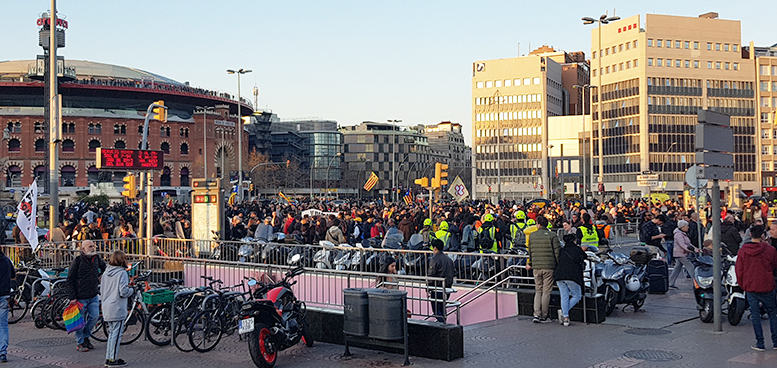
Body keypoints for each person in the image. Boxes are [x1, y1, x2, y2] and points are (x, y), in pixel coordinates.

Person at [735, 225, 777, 351]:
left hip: (750, 285)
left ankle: (760, 343)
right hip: (767, 284)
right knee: (772, 313)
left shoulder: (743, 250)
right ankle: (775, 341)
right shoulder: (770, 250)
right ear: (763, 235)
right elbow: (774, 266)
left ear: (751, 235)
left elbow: (739, 269)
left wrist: (743, 283)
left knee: (755, 315)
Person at [67, 240, 107, 352]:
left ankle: (86, 336)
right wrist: (72, 297)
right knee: (79, 322)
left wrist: (100, 276)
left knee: (94, 317)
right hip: (80, 297)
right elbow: (70, 279)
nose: (93, 248)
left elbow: (105, 268)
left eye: (93, 246)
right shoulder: (78, 261)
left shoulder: (96, 259)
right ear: (83, 249)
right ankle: (80, 342)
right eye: (90, 246)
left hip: (93, 294)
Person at [101, 250, 133, 367]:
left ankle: (109, 357)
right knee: (117, 334)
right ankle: (112, 359)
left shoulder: (106, 273)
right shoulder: (122, 273)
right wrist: (132, 290)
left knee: (111, 333)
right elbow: (123, 291)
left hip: (107, 306)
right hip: (117, 307)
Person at [526, 216, 561, 323]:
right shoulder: (553, 235)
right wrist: (558, 264)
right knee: (546, 292)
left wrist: (530, 263)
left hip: (536, 267)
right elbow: (557, 252)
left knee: (538, 291)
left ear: (538, 224)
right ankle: (544, 315)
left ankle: (536, 314)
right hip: (549, 267)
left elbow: (530, 252)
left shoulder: (532, 236)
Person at [554, 233, 586, 326]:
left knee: (564, 296)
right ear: (574, 240)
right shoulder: (577, 249)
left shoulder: (562, 250)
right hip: (572, 276)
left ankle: (566, 317)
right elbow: (584, 256)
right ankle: (564, 312)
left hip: (559, 275)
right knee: (577, 295)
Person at [428, 238, 454, 323]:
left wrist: (429, 287)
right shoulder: (449, 259)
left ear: (435, 248)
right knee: (442, 308)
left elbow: (431, 275)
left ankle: (442, 324)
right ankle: (443, 322)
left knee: (436, 310)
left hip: (437, 287)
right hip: (447, 287)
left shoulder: (435, 260)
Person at [668, 220, 696, 289]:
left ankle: (670, 283)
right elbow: (682, 245)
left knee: (677, 269)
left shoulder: (682, 233)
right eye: (687, 226)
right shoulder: (679, 235)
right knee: (691, 268)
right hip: (681, 254)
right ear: (683, 227)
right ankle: (696, 283)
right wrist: (692, 249)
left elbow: (689, 244)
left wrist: (695, 248)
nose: (688, 227)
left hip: (681, 253)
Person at [0, 248, 15, 363]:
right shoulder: (6, 260)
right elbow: (13, 275)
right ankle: (3, 352)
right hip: (4, 295)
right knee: (3, 325)